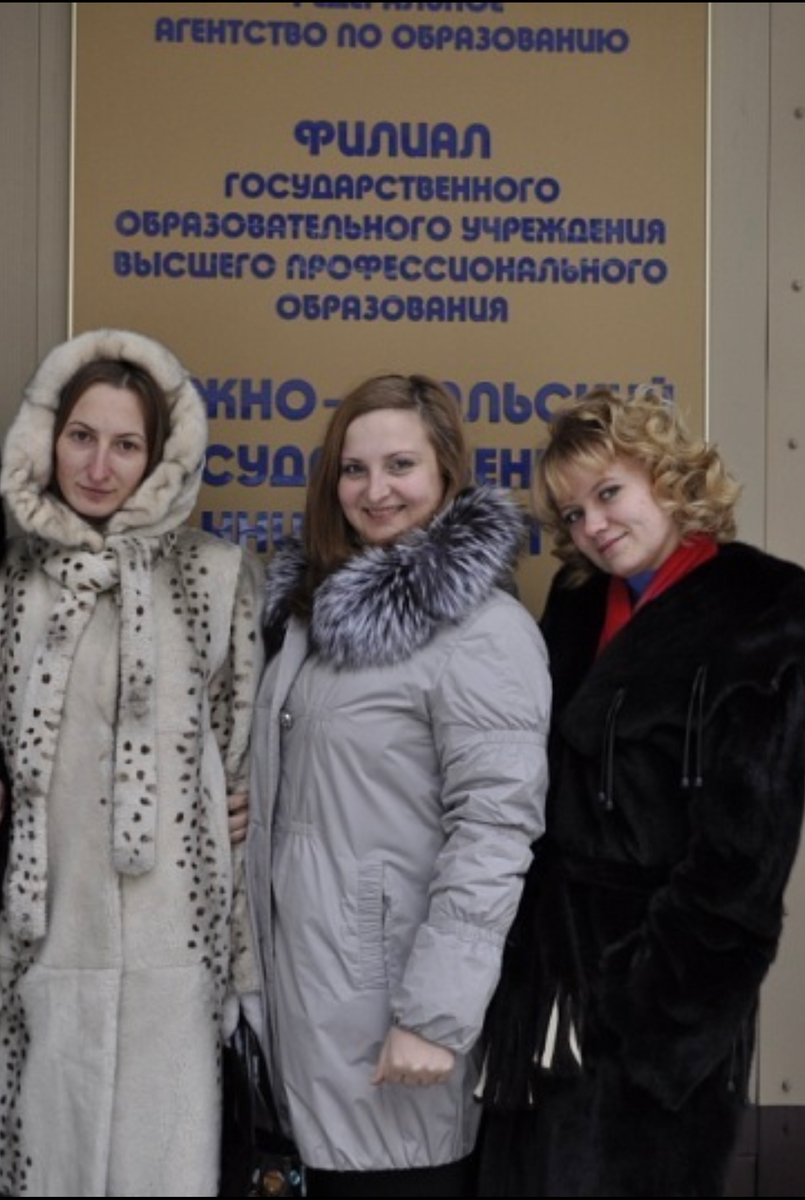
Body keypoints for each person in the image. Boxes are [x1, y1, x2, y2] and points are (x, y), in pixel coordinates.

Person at [478, 387, 805, 1197]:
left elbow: (745, 861)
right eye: (573, 511)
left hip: (661, 1002)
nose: (592, 525)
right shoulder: (575, 602)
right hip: (543, 986)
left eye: (608, 492)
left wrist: (651, 1013)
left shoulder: (767, 610)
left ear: (666, 474)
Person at [246, 373, 551, 1198]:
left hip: (395, 1027)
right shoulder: (309, 616)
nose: (374, 490)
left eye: (400, 465)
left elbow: (494, 833)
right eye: (354, 469)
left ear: (446, 473)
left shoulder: (482, 632)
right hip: (301, 1014)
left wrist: (433, 1017)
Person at [0, 328, 263, 1196]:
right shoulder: (12, 583)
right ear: (47, 437)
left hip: (176, 951)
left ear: (160, 456)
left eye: (126, 444)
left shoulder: (217, 577)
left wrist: (241, 965)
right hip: (42, 942)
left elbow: (242, 761)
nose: (98, 466)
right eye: (81, 436)